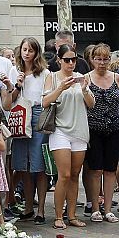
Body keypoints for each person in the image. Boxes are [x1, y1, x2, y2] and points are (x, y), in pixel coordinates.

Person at [42, 45, 91, 228]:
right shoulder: (52, 77)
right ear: (59, 60)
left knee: (75, 175)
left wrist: (84, 89)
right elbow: (45, 102)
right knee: (64, 174)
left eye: (73, 59)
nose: (71, 63)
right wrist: (61, 88)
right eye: (67, 60)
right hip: (60, 130)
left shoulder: (81, 77)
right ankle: (58, 216)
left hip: (80, 129)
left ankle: (72, 215)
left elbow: (91, 104)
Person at [81, 42, 119, 222]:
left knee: (110, 169)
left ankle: (108, 209)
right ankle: (95, 208)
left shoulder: (117, 78)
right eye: (98, 59)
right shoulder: (86, 78)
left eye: (105, 59)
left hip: (115, 128)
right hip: (93, 128)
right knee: (95, 169)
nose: (102, 63)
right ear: (92, 60)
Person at [5, 37, 49, 222]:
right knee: (23, 165)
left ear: (36, 53)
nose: (27, 53)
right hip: (20, 114)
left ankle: (41, 210)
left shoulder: (44, 73)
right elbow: (9, 99)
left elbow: (47, 97)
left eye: (31, 50)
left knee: (39, 165)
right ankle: (28, 206)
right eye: (24, 49)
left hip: (38, 113)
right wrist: (17, 84)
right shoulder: (14, 71)